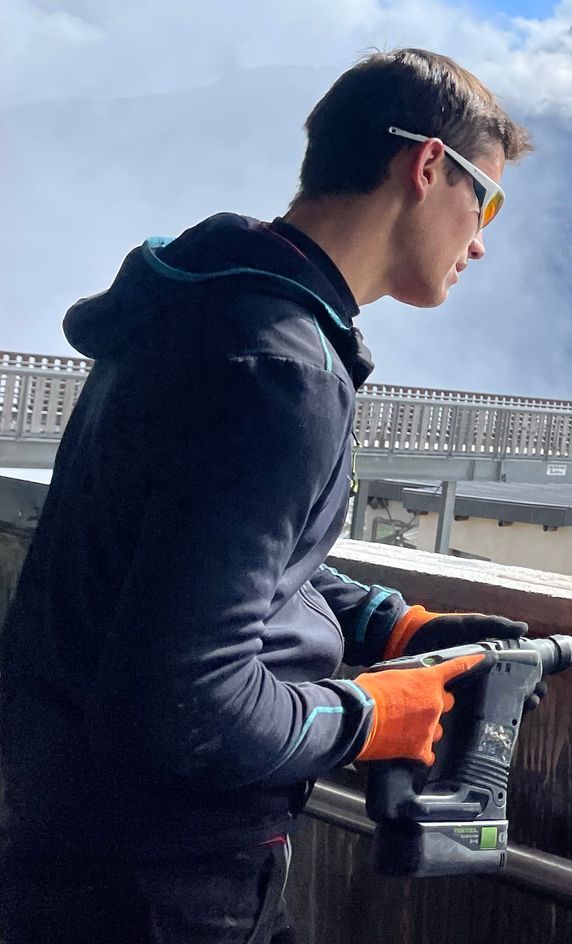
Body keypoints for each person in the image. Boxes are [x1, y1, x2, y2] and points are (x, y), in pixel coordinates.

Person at [0, 48, 534, 943]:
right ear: (427, 166)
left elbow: (201, 555)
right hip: (162, 880)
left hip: (78, 832)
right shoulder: (280, 374)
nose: (479, 240)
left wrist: (390, 626)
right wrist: (372, 716)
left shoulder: (209, 309)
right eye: (486, 202)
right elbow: (184, 707)